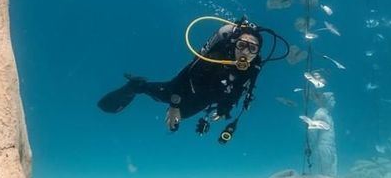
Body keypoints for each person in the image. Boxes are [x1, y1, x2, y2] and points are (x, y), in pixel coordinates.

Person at [98, 18, 272, 138]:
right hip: (185, 87)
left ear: (257, 52)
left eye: (252, 48)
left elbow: (242, 90)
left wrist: (224, 108)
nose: (245, 52)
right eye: (241, 45)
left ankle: (172, 107)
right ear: (234, 44)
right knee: (163, 97)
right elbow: (186, 75)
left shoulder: (253, 67)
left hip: (205, 98)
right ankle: (136, 85)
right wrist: (174, 104)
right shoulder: (216, 57)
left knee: (182, 117)